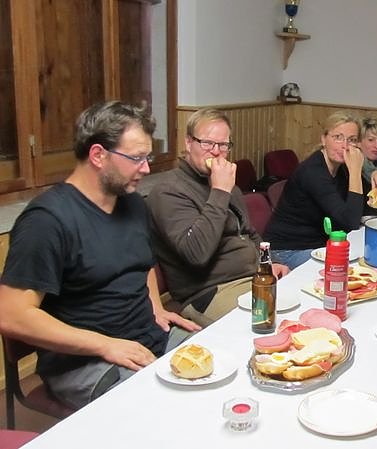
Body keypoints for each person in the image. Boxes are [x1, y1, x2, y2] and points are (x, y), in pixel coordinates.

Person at [0, 101, 200, 409]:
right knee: (161, 410)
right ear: (98, 155)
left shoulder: (131, 202)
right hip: (85, 362)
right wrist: (106, 345)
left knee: (219, 366)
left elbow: (142, 262)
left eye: (147, 157)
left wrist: (155, 305)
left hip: (146, 338)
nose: (146, 168)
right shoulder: (47, 221)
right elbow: (12, 315)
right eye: (136, 158)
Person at [146, 108, 289, 327]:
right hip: (209, 291)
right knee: (271, 325)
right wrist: (220, 192)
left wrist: (272, 262)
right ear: (188, 143)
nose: (216, 151)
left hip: (252, 277)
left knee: (303, 310)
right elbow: (196, 253)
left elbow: (249, 233)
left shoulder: (225, 182)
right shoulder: (168, 191)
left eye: (223, 145)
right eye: (207, 143)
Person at [264, 111, 364, 269]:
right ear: (324, 139)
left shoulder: (342, 168)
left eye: (352, 140)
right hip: (286, 250)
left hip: (316, 245)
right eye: (338, 137)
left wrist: (375, 174)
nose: (345, 146)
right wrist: (356, 173)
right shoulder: (313, 172)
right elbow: (350, 221)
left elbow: (364, 207)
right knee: (345, 270)